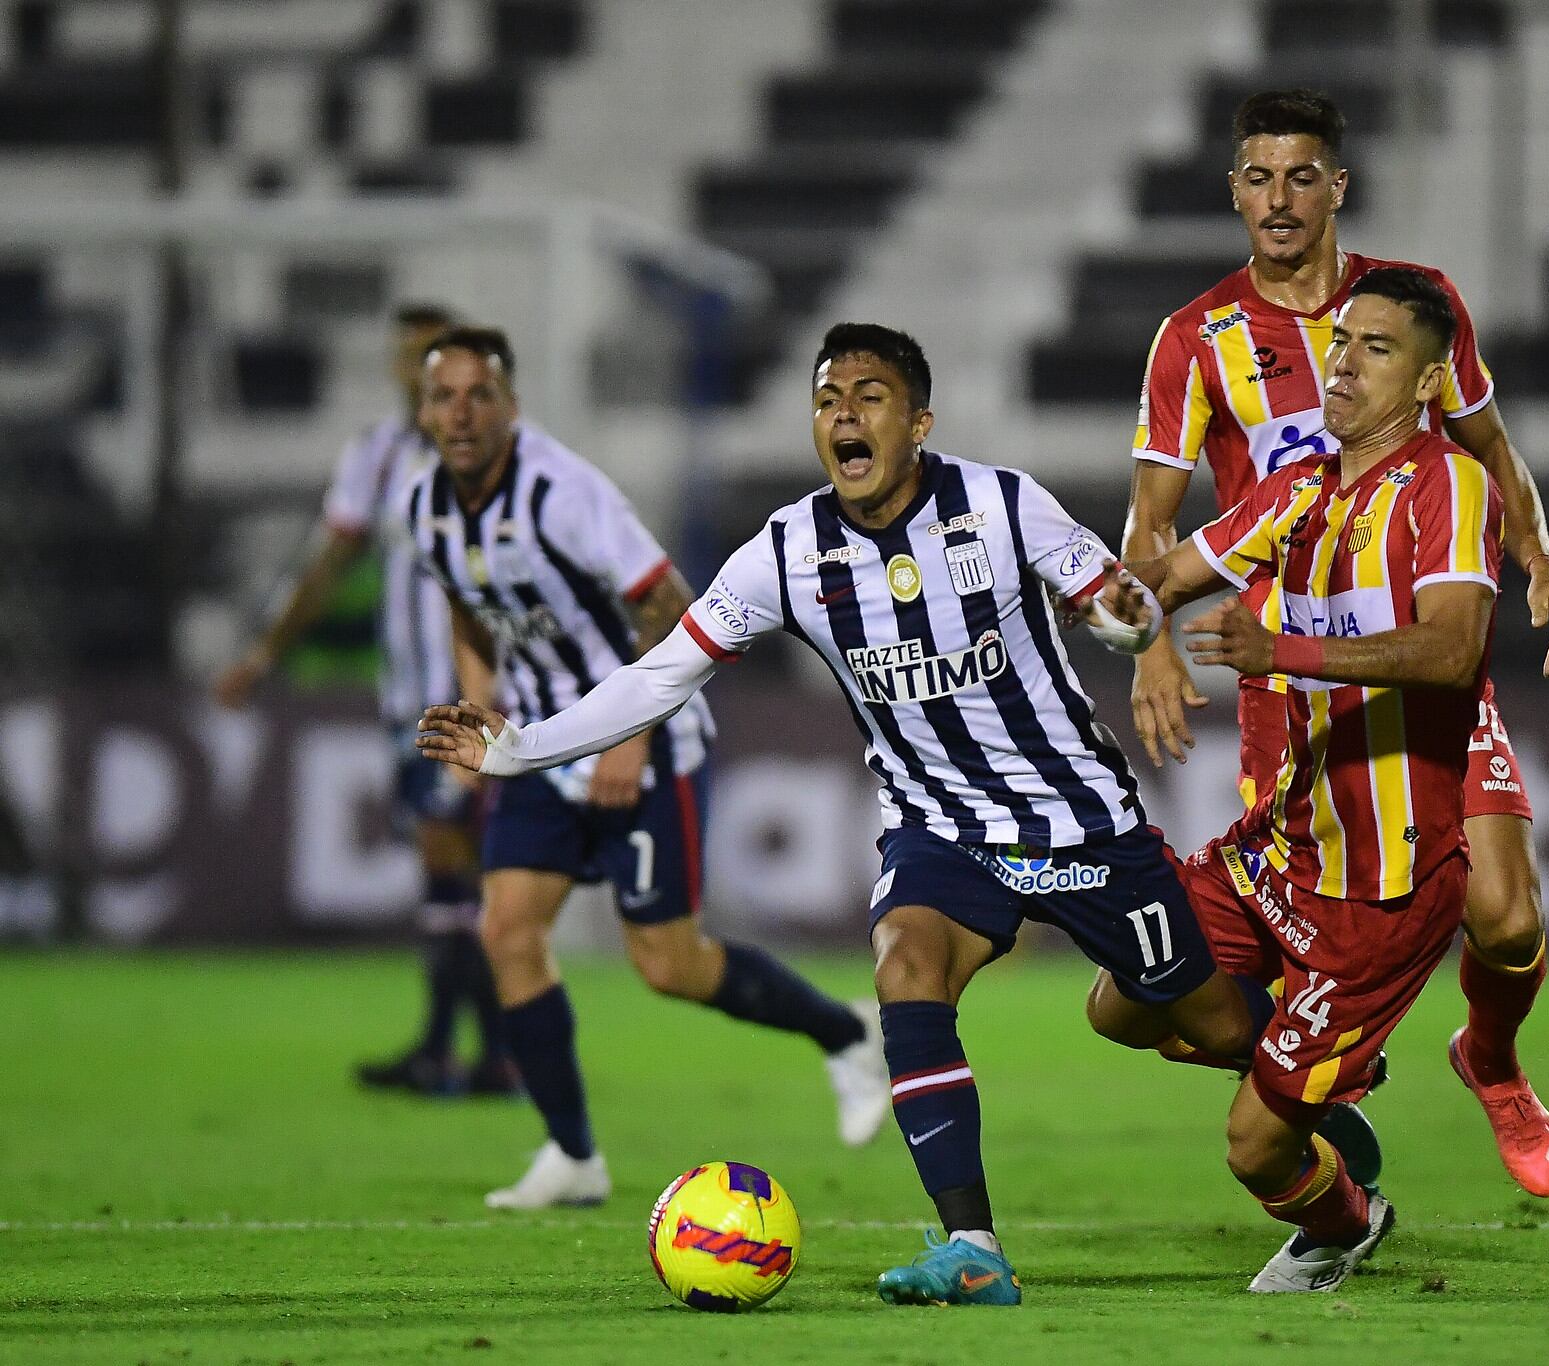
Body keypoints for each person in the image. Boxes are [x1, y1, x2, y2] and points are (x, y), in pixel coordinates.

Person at [418, 322, 1273, 1305]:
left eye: (869, 397)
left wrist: (1133, 627)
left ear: (919, 422)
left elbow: (1121, 602)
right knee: (905, 966)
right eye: (827, 400)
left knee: (1210, 1024)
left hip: (1076, 819)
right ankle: (973, 1249)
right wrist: (519, 746)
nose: (844, 416)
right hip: (938, 826)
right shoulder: (787, 551)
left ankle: (1313, 1077)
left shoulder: (1001, 504)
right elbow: (660, 675)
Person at [1122, 87, 1549, 1197]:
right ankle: (1313, 1070)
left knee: (1506, 917)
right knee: (1292, 925)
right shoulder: (1196, 339)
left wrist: (1538, 553)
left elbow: (1488, 442)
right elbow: (1151, 525)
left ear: (1337, 187)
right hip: (1288, 678)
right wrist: (1150, 645)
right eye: (1257, 177)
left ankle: (1491, 1060)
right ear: (1233, 190)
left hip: (1414, 648)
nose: (1278, 200)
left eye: (1300, 177)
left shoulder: (1414, 308)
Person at [403, 326, 890, 1208]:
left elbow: (666, 601)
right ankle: (572, 1154)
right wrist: (480, 702)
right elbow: (469, 608)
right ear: (424, 410)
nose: (462, 414)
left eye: (480, 395)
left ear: (512, 405)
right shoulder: (426, 506)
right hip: (539, 747)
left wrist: (628, 739)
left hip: (644, 739)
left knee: (668, 965)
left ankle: (846, 1033)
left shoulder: (563, 494)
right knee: (506, 931)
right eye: (445, 397)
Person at [1116, 267, 1503, 1292]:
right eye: (1340, 345)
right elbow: (1158, 577)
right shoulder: (1295, 490)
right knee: (1123, 1000)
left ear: (1429, 382)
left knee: (1252, 1149)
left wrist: (1280, 651)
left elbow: (1453, 649)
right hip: (1279, 850)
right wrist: (1053, 587)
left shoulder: (1449, 488)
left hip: (1382, 890)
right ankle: (1325, 1064)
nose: (1342, 365)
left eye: (1376, 349)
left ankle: (1343, 1219)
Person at [215, 301, 514, 1097]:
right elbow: (332, 558)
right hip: (405, 698)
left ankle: (455, 1051)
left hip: (475, 697)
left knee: (453, 860)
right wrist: (265, 652)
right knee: (453, 871)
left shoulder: (500, 454)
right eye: (409, 356)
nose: (420, 371)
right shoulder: (377, 457)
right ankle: (488, 1054)